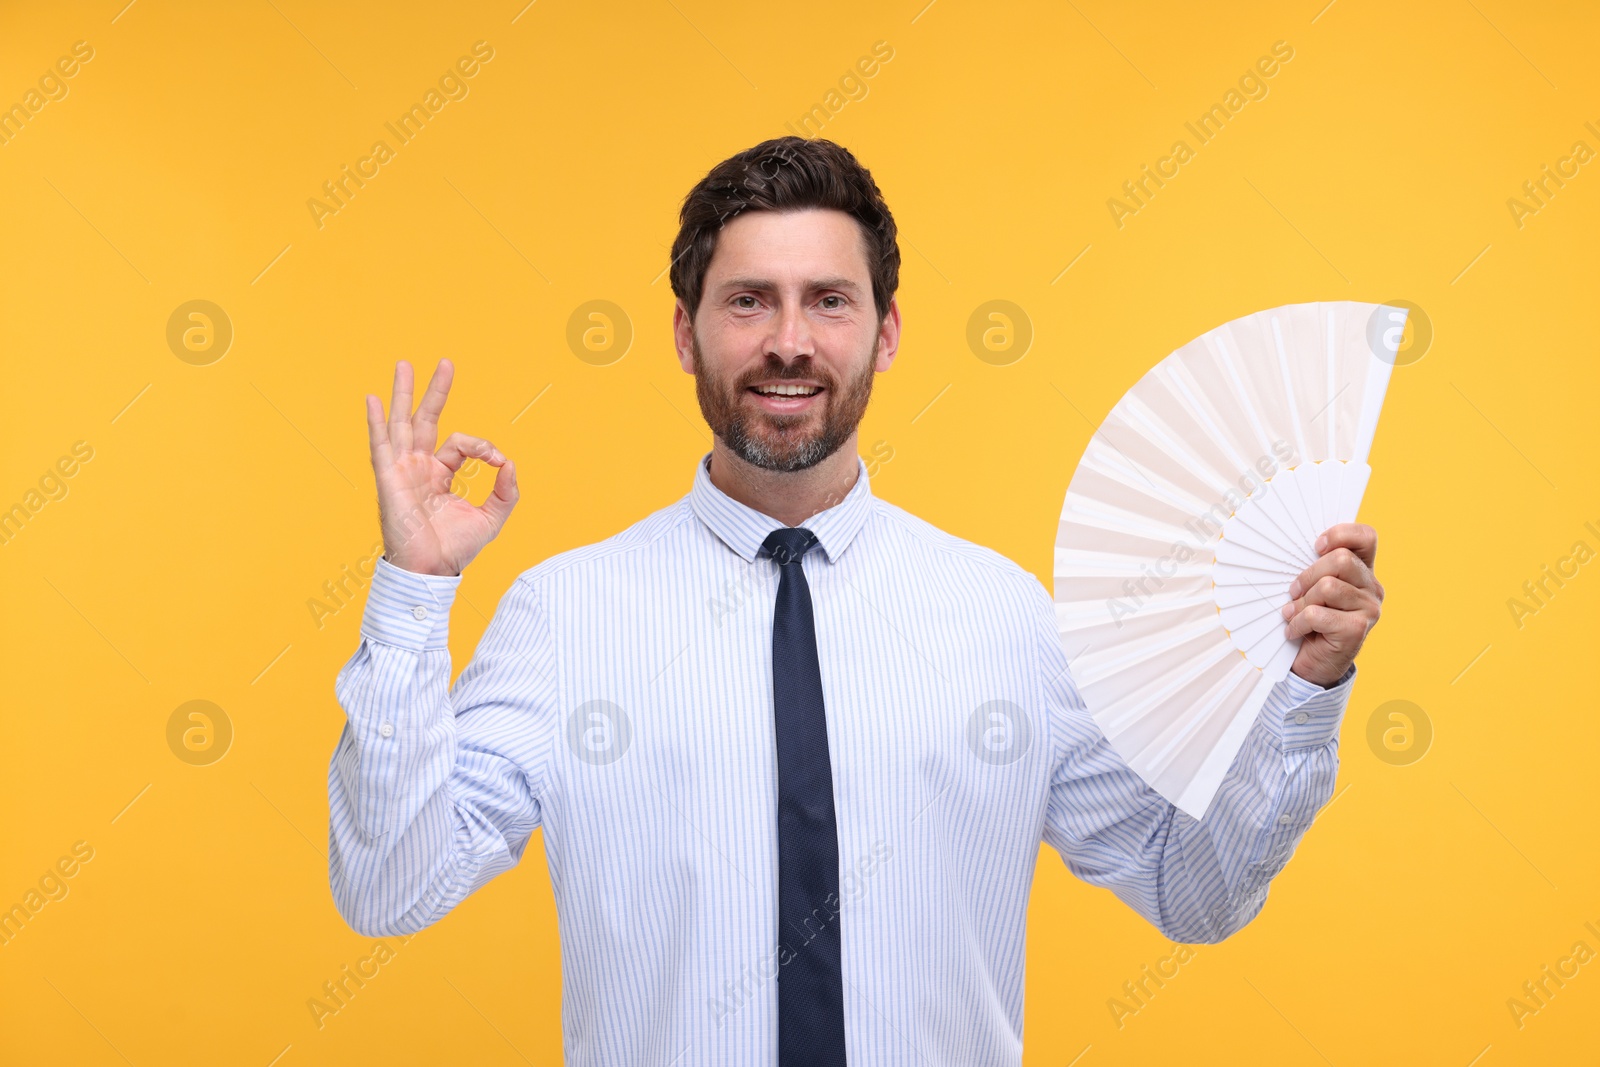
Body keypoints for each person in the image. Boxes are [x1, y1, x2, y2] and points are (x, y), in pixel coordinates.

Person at [327, 136, 1383, 1066]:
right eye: (749, 300)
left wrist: (1305, 684)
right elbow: (390, 887)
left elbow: (1190, 889)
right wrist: (414, 590)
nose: (789, 341)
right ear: (686, 333)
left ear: (884, 333)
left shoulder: (1002, 617)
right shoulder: (565, 616)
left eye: (828, 299)